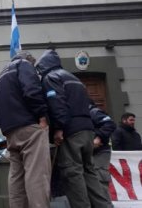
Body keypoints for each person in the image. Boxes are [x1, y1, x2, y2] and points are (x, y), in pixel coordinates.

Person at [35, 49, 111, 208]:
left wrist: (59, 128)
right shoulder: (74, 78)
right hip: (88, 131)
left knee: (72, 173)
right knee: (89, 172)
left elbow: (57, 103)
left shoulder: (51, 77)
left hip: (71, 132)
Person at [0, 51, 51, 208]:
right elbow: (32, 90)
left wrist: (6, 128)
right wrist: (42, 116)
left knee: (16, 177)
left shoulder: (0, 75)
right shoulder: (24, 65)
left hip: (10, 132)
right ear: (30, 61)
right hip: (30, 128)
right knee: (37, 175)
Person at [88, 102, 116, 206]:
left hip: (100, 152)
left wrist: (98, 137)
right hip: (91, 153)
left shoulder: (93, 112)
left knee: (99, 183)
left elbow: (109, 124)